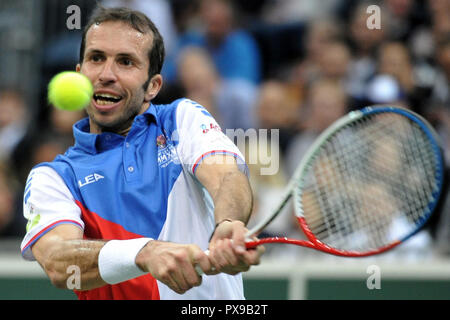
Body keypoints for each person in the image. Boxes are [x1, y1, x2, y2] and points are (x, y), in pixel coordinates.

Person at [20, 6, 264, 300]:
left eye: (125, 62)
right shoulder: (53, 178)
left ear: (153, 86)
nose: (107, 74)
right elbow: (59, 260)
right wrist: (144, 254)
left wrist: (228, 223)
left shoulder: (181, 119)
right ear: (80, 73)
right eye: (96, 58)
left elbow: (227, 175)